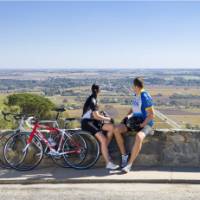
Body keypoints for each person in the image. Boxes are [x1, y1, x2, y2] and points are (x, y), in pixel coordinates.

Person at [114, 77, 155, 173]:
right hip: (135, 122)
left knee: (139, 137)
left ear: (136, 86)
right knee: (117, 130)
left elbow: (152, 114)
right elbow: (133, 108)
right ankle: (125, 156)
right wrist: (125, 118)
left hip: (146, 123)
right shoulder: (137, 94)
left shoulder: (145, 96)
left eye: (133, 86)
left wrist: (142, 124)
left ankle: (129, 165)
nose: (132, 88)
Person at [81, 84, 119, 170]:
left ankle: (103, 148)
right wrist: (108, 118)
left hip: (92, 122)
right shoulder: (93, 100)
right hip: (87, 123)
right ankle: (108, 163)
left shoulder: (93, 99)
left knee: (111, 129)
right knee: (103, 139)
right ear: (98, 90)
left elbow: (96, 116)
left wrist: (106, 118)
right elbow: (96, 116)